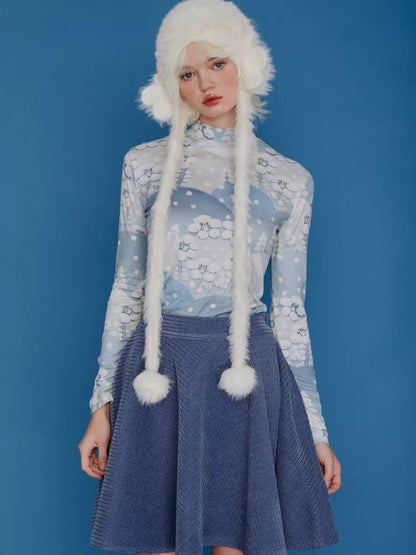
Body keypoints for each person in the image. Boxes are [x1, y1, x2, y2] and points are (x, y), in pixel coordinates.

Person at [78, 1, 342, 554]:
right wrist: (101, 405)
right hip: (159, 364)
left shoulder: (290, 180)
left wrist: (315, 431)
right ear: (171, 84)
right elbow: (127, 285)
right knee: (154, 537)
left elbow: (290, 311)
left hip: (245, 371)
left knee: (239, 541)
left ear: (246, 61)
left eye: (218, 63)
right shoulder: (143, 164)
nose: (205, 84)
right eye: (187, 73)